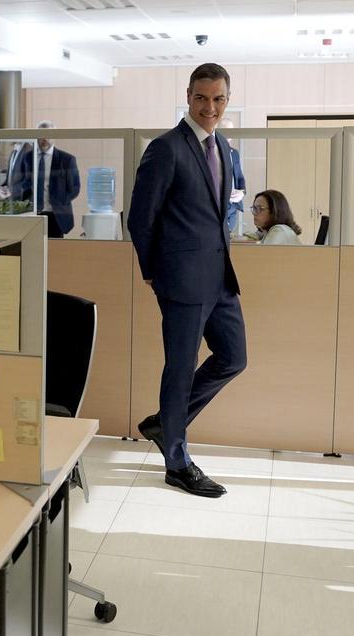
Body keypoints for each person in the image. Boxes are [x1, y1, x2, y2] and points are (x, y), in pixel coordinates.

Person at [128, 62, 247, 499]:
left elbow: (223, 208)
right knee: (179, 370)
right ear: (188, 97)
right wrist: (153, 272)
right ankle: (177, 463)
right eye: (201, 98)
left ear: (227, 100)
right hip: (181, 281)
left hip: (219, 278)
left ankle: (166, 423)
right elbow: (140, 218)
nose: (209, 107)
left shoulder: (225, 147)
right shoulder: (166, 148)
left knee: (233, 357)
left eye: (218, 99)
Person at [33, 121, 82, 238]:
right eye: (41, 135)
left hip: (56, 215)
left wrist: (60, 200)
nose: (44, 139)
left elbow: (75, 188)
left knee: (55, 247)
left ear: (54, 136)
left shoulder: (67, 159)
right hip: (32, 215)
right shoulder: (28, 158)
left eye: (48, 135)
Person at [218, 118, 246, 232]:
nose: (228, 135)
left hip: (233, 205)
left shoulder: (234, 153)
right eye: (225, 131)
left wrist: (242, 192)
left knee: (229, 236)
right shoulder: (210, 152)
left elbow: (240, 177)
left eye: (231, 131)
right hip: (218, 205)